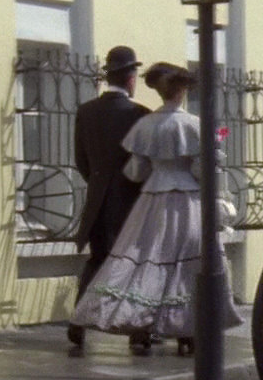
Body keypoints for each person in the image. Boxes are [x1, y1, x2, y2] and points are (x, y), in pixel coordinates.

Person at [69, 62, 242, 354]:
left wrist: (158, 168)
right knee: (188, 263)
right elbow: (202, 170)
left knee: (148, 262)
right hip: (186, 201)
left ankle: (143, 324)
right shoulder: (193, 125)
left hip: (151, 201)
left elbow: (136, 171)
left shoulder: (145, 125)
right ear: (182, 92)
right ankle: (189, 331)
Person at [68, 45, 150, 354]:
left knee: (97, 262)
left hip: (98, 201)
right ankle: (139, 331)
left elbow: (81, 160)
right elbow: (144, 163)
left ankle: (77, 323)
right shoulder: (139, 114)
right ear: (131, 78)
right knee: (136, 266)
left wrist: (100, 184)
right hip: (130, 202)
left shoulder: (86, 111)